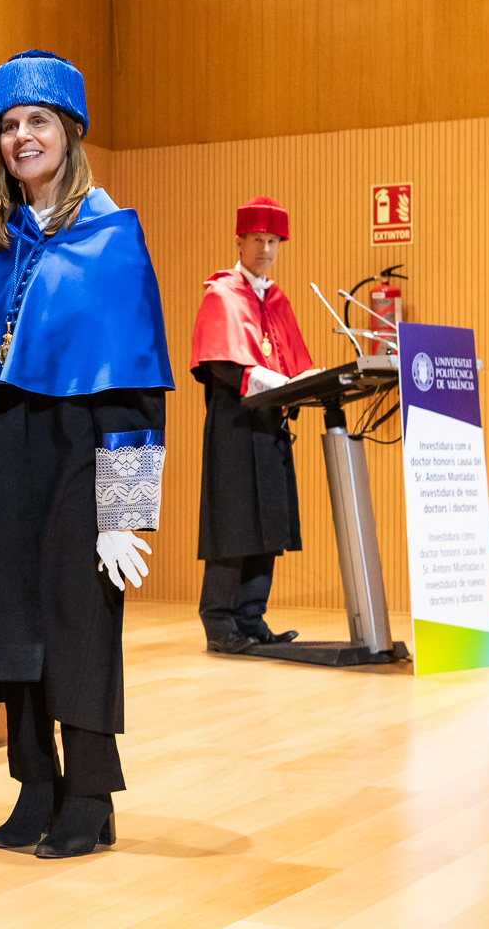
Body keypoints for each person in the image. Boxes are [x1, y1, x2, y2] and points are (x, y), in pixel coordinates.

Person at [0, 50, 173, 859]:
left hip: (78, 445)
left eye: (38, 121)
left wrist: (126, 513)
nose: (22, 137)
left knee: (79, 618)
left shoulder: (112, 238)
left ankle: (89, 792)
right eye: (8, 125)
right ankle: (34, 782)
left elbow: (135, 386)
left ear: (71, 131)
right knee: (11, 616)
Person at [189, 197, 321, 653]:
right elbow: (222, 364)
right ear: (239, 242)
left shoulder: (276, 300)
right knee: (234, 523)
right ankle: (220, 622)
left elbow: (294, 362)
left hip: (270, 428)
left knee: (268, 522)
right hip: (235, 425)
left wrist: (305, 382)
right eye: (258, 240)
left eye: (273, 241)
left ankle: (251, 617)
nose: (266, 249)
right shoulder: (221, 294)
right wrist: (276, 382)